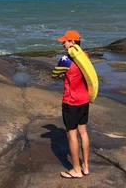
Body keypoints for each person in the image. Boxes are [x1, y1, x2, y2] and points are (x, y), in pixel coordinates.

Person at [51, 30, 90, 179]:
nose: (63, 44)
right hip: (84, 99)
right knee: (83, 132)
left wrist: (61, 74)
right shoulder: (85, 56)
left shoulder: (65, 60)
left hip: (71, 101)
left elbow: (54, 73)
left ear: (72, 43)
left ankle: (76, 170)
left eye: (65, 41)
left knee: (71, 134)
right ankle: (85, 167)